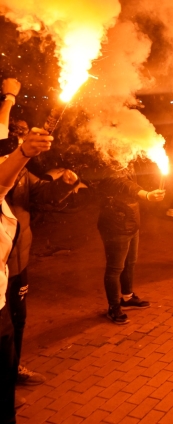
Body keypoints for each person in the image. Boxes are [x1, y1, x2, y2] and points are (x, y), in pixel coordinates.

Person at [2, 120, 80, 390]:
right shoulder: (6, 168)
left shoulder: (22, 172)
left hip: (19, 261)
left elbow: (43, 194)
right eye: (20, 135)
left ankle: (13, 368)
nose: (26, 139)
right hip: (1, 265)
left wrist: (65, 184)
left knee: (18, 320)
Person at [0, 77, 54, 424]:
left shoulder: (17, 168)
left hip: (2, 287)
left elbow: (10, 181)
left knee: (10, 338)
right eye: (14, 133)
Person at [97, 160, 165, 324]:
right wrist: (146, 194)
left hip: (132, 222)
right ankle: (113, 307)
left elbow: (136, 180)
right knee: (115, 268)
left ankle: (127, 297)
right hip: (115, 224)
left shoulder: (128, 161)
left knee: (130, 263)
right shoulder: (108, 166)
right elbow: (123, 184)